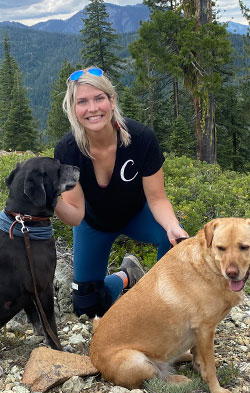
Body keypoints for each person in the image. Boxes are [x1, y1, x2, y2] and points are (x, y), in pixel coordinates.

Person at [54, 67, 189, 318]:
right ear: (73, 108)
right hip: (93, 224)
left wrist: (172, 225)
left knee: (173, 239)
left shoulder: (141, 139)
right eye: (82, 101)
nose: (92, 108)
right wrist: (51, 202)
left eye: (99, 98)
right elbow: (74, 215)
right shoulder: (67, 151)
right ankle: (128, 275)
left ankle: (158, 299)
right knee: (86, 306)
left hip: (137, 216)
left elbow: (157, 198)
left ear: (111, 100)